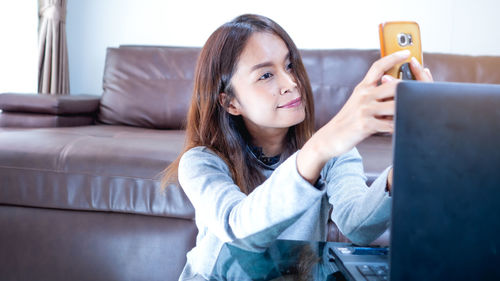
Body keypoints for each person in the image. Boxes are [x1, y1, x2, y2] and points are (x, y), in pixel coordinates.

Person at [162, 14, 433, 280]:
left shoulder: (334, 154)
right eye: (266, 75)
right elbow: (239, 229)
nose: (292, 83)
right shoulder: (201, 162)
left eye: (290, 66)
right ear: (230, 102)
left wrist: (409, 159)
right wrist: (317, 149)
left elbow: (357, 225)